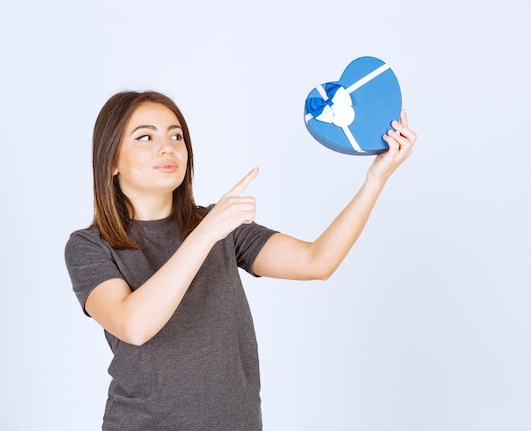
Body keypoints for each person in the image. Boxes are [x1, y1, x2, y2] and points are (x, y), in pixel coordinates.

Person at [64, 90, 416, 430]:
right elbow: (134, 326)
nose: (167, 147)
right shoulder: (90, 246)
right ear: (111, 160)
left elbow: (317, 261)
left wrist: (375, 179)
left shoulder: (222, 226)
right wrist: (205, 233)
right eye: (145, 137)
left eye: (176, 136)